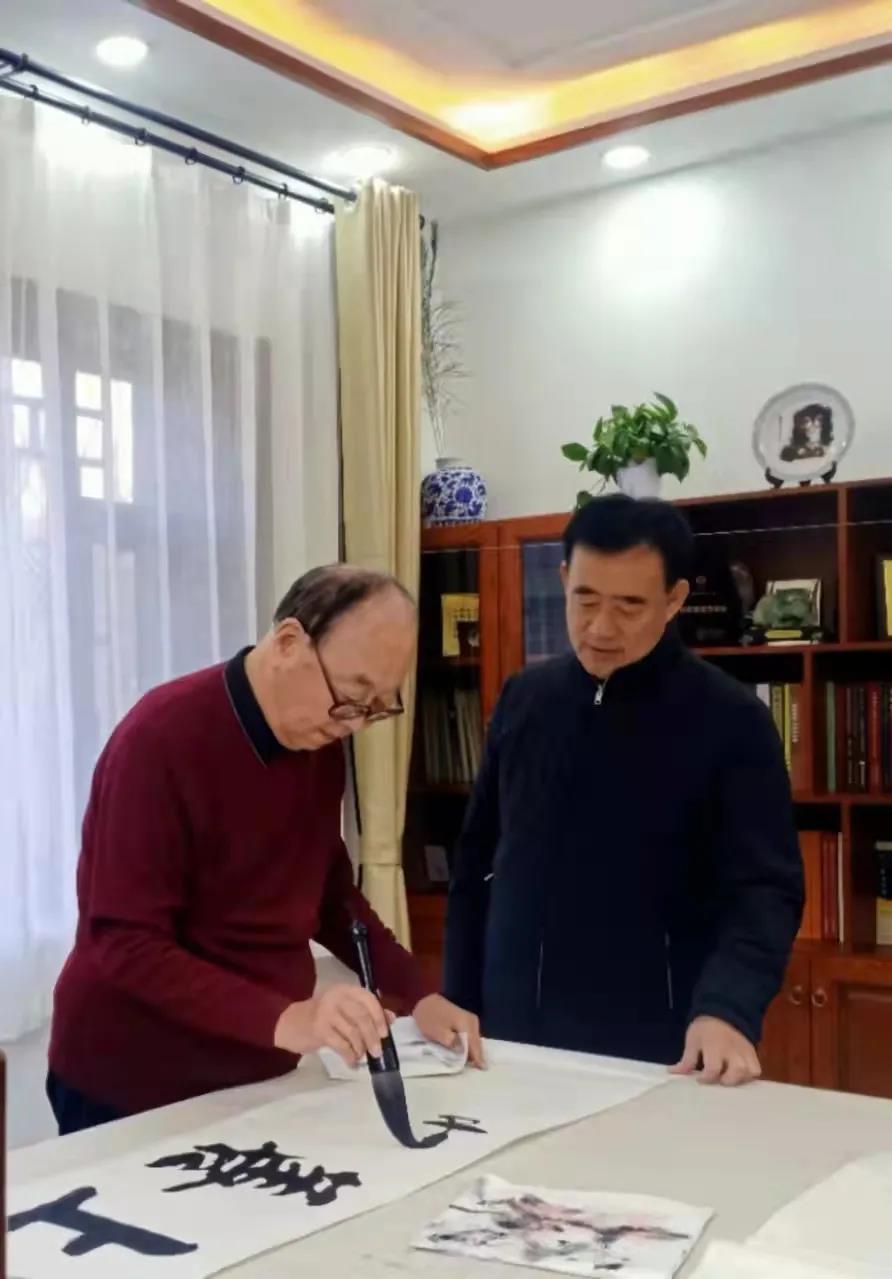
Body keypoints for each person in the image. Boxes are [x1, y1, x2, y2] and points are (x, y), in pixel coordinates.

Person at [49, 565, 482, 1134]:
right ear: (288, 642)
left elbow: (329, 895)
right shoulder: (160, 740)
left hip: (253, 1070)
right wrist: (289, 1019)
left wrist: (417, 992)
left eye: (377, 707)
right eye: (351, 697)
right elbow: (126, 942)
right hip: (135, 1076)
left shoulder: (318, 742)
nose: (354, 723)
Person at [443, 495, 803, 1087]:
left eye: (630, 605)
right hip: (510, 1038)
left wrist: (727, 1008)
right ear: (564, 578)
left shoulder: (731, 720)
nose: (600, 628)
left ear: (674, 599)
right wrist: (456, 995)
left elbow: (766, 890)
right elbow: (476, 862)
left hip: (657, 1046)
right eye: (585, 599)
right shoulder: (525, 699)